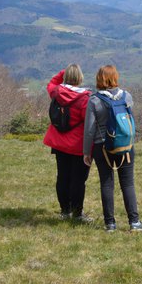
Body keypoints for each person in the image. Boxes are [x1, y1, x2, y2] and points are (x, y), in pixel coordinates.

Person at [83, 65, 142, 233]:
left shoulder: (94, 100)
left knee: (106, 183)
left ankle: (110, 224)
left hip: (102, 146)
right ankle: (134, 222)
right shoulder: (127, 96)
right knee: (128, 184)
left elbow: (89, 129)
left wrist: (86, 152)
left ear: (99, 79)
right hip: (125, 146)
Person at [43, 64, 91, 221]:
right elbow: (88, 123)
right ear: (80, 78)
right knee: (78, 180)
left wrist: (64, 72)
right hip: (77, 146)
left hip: (59, 144)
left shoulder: (56, 93)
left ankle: (65, 210)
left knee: (63, 176)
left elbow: (51, 83)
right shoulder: (85, 98)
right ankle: (77, 213)